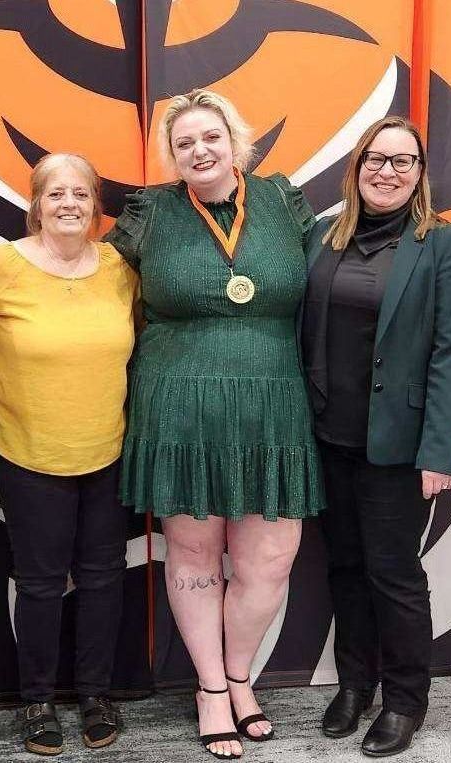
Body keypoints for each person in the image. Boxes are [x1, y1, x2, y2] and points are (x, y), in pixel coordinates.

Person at [107, 89, 323, 760]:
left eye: (211, 137)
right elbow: (100, 290)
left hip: (274, 402)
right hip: (181, 402)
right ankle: (210, 689)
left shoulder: (284, 201)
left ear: (237, 141)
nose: (199, 150)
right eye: (184, 143)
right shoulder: (149, 213)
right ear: (172, 155)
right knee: (195, 553)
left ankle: (240, 677)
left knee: (269, 558)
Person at [299, 116, 451, 757]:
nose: (388, 170)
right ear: (357, 165)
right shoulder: (324, 236)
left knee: (393, 574)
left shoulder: (447, 246)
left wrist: (439, 451)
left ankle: (405, 699)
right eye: (377, 158)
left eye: (404, 161)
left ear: (420, 175)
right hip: (329, 436)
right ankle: (355, 684)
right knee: (344, 567)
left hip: (399, 445)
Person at [0, 152, 138, 756]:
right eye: (56, 193)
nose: (69, 203)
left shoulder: (119, 268)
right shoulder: (0, 267)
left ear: (96, 207)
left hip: (107, 450)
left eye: (82, 194)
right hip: (27, 452)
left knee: (103, 579)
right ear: (35, 203)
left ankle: (95, 693)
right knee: (39, 584)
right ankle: (36, 699)